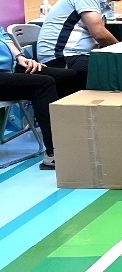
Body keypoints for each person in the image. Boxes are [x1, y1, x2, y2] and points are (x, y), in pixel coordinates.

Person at [0, 31, 81, 170]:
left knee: (68, 76)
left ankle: (73, 142)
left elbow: (4, 37)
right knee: (44, 84)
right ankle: (53, 153)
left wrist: (20, 57)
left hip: (10, 69)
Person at [36, 0, 122, 85]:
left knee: (117, 67)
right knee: (114, 69)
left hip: (79, 56)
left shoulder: (103, 4)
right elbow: (99, 34)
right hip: (60, 58)